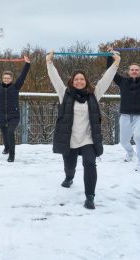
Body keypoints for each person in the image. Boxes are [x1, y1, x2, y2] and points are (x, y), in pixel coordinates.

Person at [46, 50, 120, 209]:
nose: (79, 81)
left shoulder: (94, 94)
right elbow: (55, 78)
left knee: (89, 163)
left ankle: (90, 197)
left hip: (88, 139)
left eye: (82, 79)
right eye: (76, 79)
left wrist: (116, 63)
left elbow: (105, 80)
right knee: (69, 166)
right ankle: (69, 177)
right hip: (69, 139)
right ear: (72, 82)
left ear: (86, 81)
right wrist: (49, 62)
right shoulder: (64, 94)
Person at [0, 56, 31, 162]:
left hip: (13, 116)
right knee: (5, 133)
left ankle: (12, 155)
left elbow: (22, 76)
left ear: (11, 79)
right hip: (1, 115)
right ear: (2, 78)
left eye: (8, 78)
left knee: (10, 132)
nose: (6, 79)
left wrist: (27, 64)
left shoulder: (15, 87)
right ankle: (6, 147)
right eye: (5, 78)